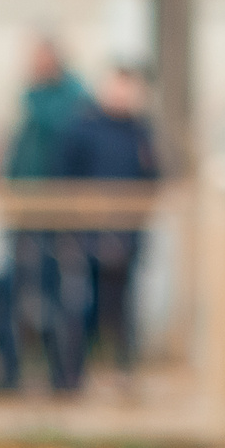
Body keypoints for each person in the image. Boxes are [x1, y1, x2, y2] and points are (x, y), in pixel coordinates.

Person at [0, 32, 90, 393]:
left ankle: (63, 375)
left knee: (56, 295)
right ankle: (9, 371)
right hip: (24, 212)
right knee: (11, 293)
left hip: (55, 214)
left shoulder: (69, 102)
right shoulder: (32, 103)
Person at [57, 65, 158, 383]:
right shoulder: (83, 129)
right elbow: (64, 177)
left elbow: (153, 178)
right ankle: (73, 377)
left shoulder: (141, 132)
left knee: (124, 311)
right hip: (87, 236)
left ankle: (124, 373)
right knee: (81, 307)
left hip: (127, 236)